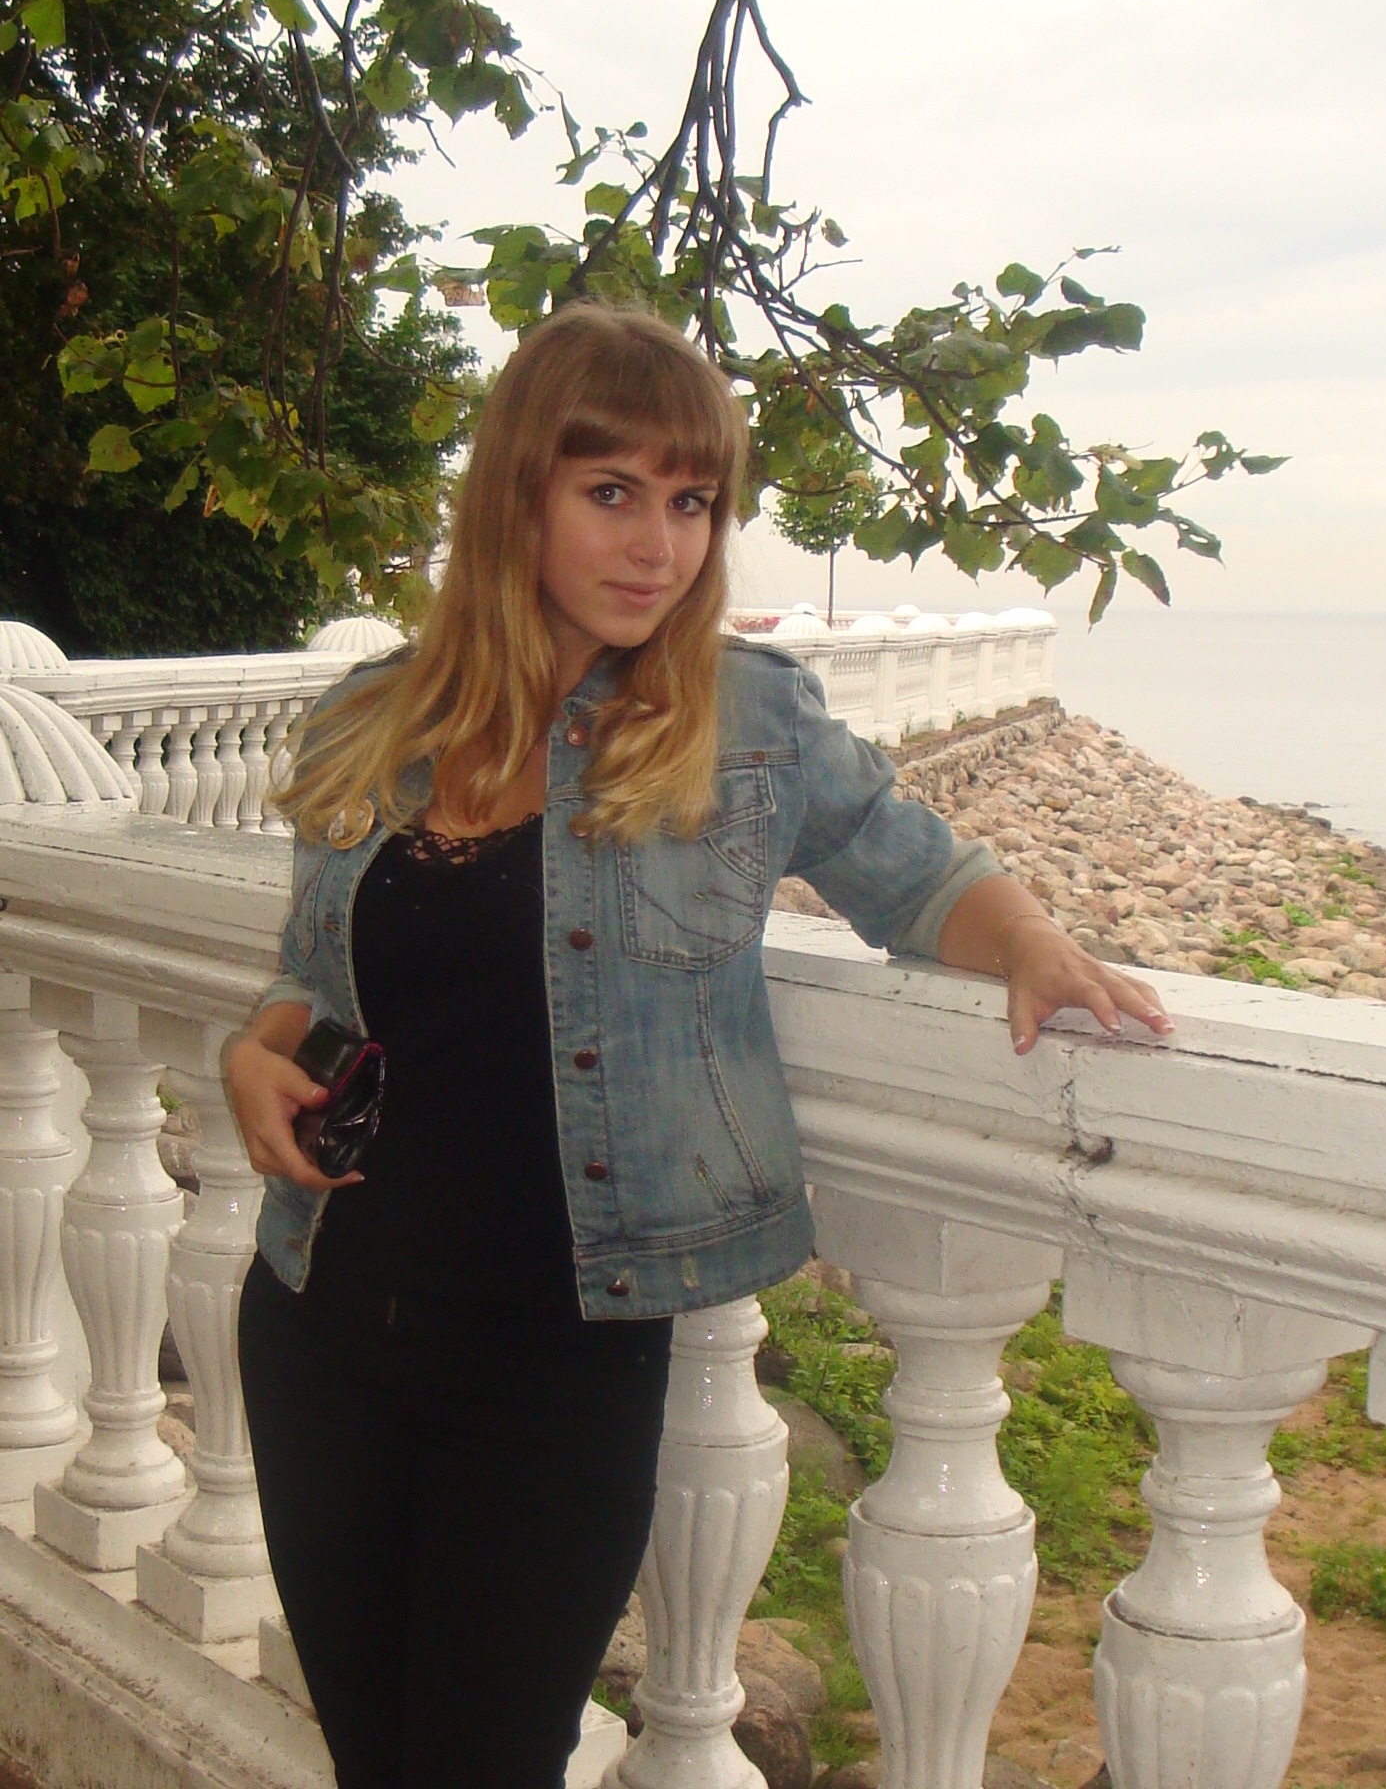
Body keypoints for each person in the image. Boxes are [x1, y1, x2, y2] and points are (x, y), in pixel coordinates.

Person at [227, 301, 1172, 1789]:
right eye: (613, 492)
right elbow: (318, 961)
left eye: (692, 502)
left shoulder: (744, 721)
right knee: (373, 1759)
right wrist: (260, 1045)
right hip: (319, 1316)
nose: (658, 543)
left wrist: (1034, 943)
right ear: (518, 495)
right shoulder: (376, 718)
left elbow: (914, 871)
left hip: (556, 1358)